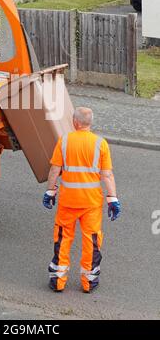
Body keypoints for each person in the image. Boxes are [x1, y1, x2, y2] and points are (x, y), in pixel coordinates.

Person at [43, 107, 121, 293]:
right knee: (91, 241)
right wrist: (113, 199)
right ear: (89, 123)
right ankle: (88, 283)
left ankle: (58, 282)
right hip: (91, 204)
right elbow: (107, 174)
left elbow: (55, 170)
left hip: (68, 201)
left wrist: (50, 192)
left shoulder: (64, 140)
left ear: (75, 122)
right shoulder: (100, 143)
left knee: (62, 238)